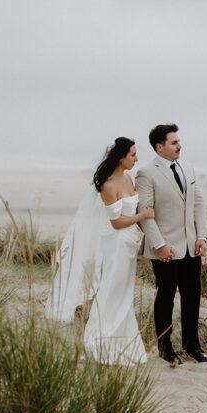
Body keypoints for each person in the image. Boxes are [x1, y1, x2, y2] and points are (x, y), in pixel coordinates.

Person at [49, 137, 154, 366]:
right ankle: (101, 340)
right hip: (116, 244)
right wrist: (143, 216)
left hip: (129, 244)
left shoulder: (127, 178)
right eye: (133, 155)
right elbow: (116, 222)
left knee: (124, 292)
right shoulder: (108, 185)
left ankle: (124, 341)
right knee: (111, 291)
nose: (137, 159)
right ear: (120, 158)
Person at [135, 123, 207, 364]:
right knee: (165, 297)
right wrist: (159, 245)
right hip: (165, 249)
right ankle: (165, 347)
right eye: (174, 142)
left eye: (178, 141)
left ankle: (192, 347)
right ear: (160, 147)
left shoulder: (187, 168)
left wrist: (202, 236)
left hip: (191, 245)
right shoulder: (146, 173)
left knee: (192, 297)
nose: (180, 146)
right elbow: (145, 212)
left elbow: (198, 203)